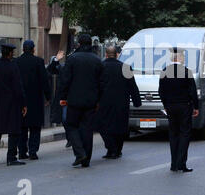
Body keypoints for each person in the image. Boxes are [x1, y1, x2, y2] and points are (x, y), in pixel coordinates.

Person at [59, 34, 104, 168]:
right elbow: (102, 83)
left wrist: (63, 96)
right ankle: (86, 159)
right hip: (91, 101)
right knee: (87, 129)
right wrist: (98, 100)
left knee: (72, 125)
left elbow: (65, 80)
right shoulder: (97, 60)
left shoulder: (72, 59)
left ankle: (79, 153)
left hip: (74, 100)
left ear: (79, 44)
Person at [0, 43, 27, 166]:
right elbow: (18, 87)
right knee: (14, 131)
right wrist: (23, 104)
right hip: (11, 104)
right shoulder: (13, 67)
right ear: (10, 53)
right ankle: (11, 157)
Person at [159, 48, 199, 173]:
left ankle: (173, 164)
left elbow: (161, 91)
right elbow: (192, 91)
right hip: (184, 106)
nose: (184, 59)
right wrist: (196, 107)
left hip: (170, 106)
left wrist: (165, 104)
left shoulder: (164, 71)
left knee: (173, 134)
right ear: (180, 58)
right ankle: (182, 163)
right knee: (184, 133)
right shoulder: (186, 71)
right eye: (183, 57)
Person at [99, 46, 141, 159]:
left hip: (104, 102)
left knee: (105, 126)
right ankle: (118, 149)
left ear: (106, 55)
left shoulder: (100, 67)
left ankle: (111, 148)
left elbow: (96, 86)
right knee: (121, 125)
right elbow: (133, 86)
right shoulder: (126, 67)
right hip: (122, 102)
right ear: (117, 55)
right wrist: (137, 101)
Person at [14, 40, 51, 160]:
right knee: (35, 127)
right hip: (35, 99)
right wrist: (48, 96)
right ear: (33, 49)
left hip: (20, 99)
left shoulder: (16, 62)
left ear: (23, 49)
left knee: (22, 127)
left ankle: (22, 151)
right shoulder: (38, 62)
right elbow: (44, 80)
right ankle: (33, 151)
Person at [46, 50, 71, 148]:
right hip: (64, 98)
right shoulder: (62, 68)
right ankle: (70, 138)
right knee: (65, 119)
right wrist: (56, 60)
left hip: (74, 97)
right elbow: (50, 70)